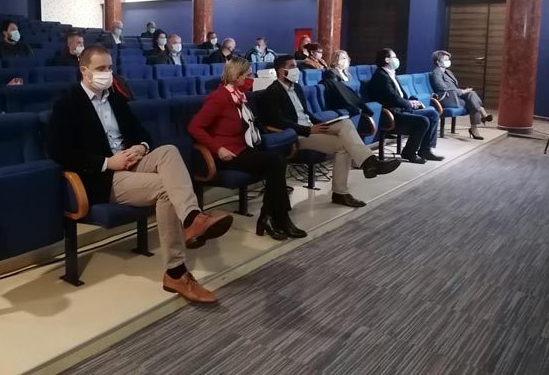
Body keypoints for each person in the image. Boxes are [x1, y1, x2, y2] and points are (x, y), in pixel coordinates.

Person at [48, 45, 233, 303]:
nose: (107, 73)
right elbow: (60, 153)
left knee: (168, 151)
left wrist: (141, 147)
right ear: (84, 70)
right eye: (100, 68)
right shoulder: (67, 105)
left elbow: (142, 133)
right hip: (103, 177)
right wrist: (107, 162)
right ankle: (176, 272)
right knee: (166, 188)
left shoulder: (115, 99)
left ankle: (192, 218)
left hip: (132, 161)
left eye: (109, 67)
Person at [259, 56, 401, 208]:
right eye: (292, 66)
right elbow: (278, 121)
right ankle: (343, 190)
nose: (296, 70)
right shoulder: (272, 92)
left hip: (311, 127)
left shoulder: (297, 88)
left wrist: (320, 124)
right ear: (282, 71)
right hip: (298, 134)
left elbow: (306, 113)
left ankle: (369, 163)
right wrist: (308, 129)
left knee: (345, 123)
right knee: (344, 146)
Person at [188, 58, 306, 240]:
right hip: (226, 154)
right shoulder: (219, 98)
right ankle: (278, 218)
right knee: (275, 162)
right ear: (237, 76)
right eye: (248, 75)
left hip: (242, 148)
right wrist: (217, 148)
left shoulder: (240, 96)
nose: (251, 79)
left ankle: (270, 216)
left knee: (276, 162)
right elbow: (195, 127)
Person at [368, 48, 444, 164]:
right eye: (394, 57)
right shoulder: (380, 76)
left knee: (433, 114)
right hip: (392, 113)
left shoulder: (391, 74)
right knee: (423, 121)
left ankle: (425, 150)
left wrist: (411, 102)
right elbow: (392, 97)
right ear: (387, 60)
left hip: (401, 109)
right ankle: (409, 152)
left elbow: (400, 95)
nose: (397, 59)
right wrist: (409, 104)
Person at [430, 50, 492, 140]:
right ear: (438, 62)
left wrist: (463, 91)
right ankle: (477, 121)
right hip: (447, 98)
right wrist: (461, 92)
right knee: (473, 103)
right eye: (445, 60)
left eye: (448, 59)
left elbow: (454, 86)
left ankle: (479, 116)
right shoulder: (436, 73)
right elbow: (442, 88)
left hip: (455, 96)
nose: (448, 62)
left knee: (471, 94)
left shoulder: (448, 72)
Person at [322, 50, 374, 117]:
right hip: (342, 100)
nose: (345, 60)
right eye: (343, 58)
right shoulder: (332, 72)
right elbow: (336, 88)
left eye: (346, 58)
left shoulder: (347, 73)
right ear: (336, 59)